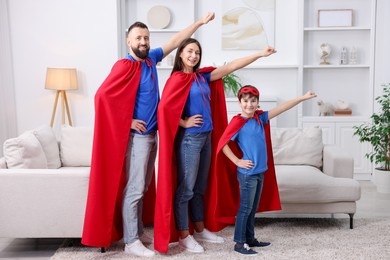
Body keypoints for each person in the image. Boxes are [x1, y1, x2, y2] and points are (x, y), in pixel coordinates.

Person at [81, 13, 215, 258]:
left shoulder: (150, 59)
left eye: (146, 37)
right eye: (138, 38)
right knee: (135, 188)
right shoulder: (124, 65)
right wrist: (129, 121)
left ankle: (139, 231)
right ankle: (130, 241)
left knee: (143, 186)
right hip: (138, 137)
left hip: (152, 134)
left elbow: (175, 41)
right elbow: (102, 97)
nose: (143, 42)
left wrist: (199, 23)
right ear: (128, 41)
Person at [154, 38, 277, 254]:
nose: (194, 56)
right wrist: (184, 122)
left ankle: (199, 229)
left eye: (197, 53)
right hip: (190, 139)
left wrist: (259, 54)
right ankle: (184, 235)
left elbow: (231, 66)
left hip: (207, 138)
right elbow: (163, 108)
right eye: (190, 51)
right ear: (181, 53)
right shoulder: (176, 78)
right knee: (186, 189)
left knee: (200, 187)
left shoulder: (202, 77)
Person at [217, 85, 317, 256]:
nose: (249, 105)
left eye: (253, 101)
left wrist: (302, 98)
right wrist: (237, 161)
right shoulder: (237, 122)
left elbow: (282, 108)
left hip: (260, 172)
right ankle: (239, 243)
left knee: (252, 208)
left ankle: (250, 238)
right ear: (240, 103)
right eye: (246, 101)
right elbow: (223, 143)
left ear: (257, 103)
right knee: (245, 208)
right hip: (247, 174)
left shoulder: (260, 118)